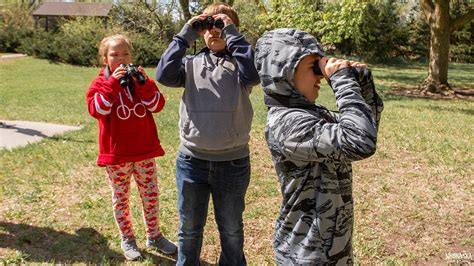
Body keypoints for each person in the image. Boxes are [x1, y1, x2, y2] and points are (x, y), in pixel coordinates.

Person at [254, 28, 384, 265]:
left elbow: (366, 127)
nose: (320, 76)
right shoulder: (287, 123)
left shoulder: (311, 113)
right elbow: (360, 142)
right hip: (306, 252)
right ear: (285, 72)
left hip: (333, 246)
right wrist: (343, 83)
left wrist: (361, 84)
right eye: (313, 67)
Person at [156, 2, 260, 265]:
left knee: (231, 229)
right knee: (189, 228)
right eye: (208, 25)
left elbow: (254, 73)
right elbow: (164, 75)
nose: (214, 31)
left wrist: (232, 34)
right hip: (192, 161)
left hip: (233, 162)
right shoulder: (190, 63)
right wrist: (184, 34)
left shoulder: (241, 65)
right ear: (200, 32)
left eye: (220, 25)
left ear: (232, 30)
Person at [86, 34, 177, 261]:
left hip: (144, 150)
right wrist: (113, 84)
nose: (121, 58)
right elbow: (98, 109)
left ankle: (154, 235)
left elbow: (157, 105)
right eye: (114, 55)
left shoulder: (140, 79)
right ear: (105, 59)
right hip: (117, 155)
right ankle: (127, 238)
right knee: (121, 198)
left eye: (125, 53)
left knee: (151, 195)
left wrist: (143, 84)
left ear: (131, 56)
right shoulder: (100, 83)